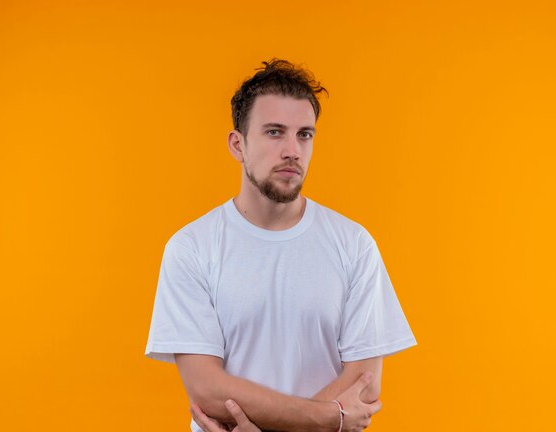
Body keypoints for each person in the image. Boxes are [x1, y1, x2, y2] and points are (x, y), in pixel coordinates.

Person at [145, 59, 417, 432]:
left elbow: (365, 382)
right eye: (275, 132)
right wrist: (330, 418)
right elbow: (206, 389)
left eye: (304, 134)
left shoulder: (354, 244)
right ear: (237, 144)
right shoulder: (192, 248)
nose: (293, 150)